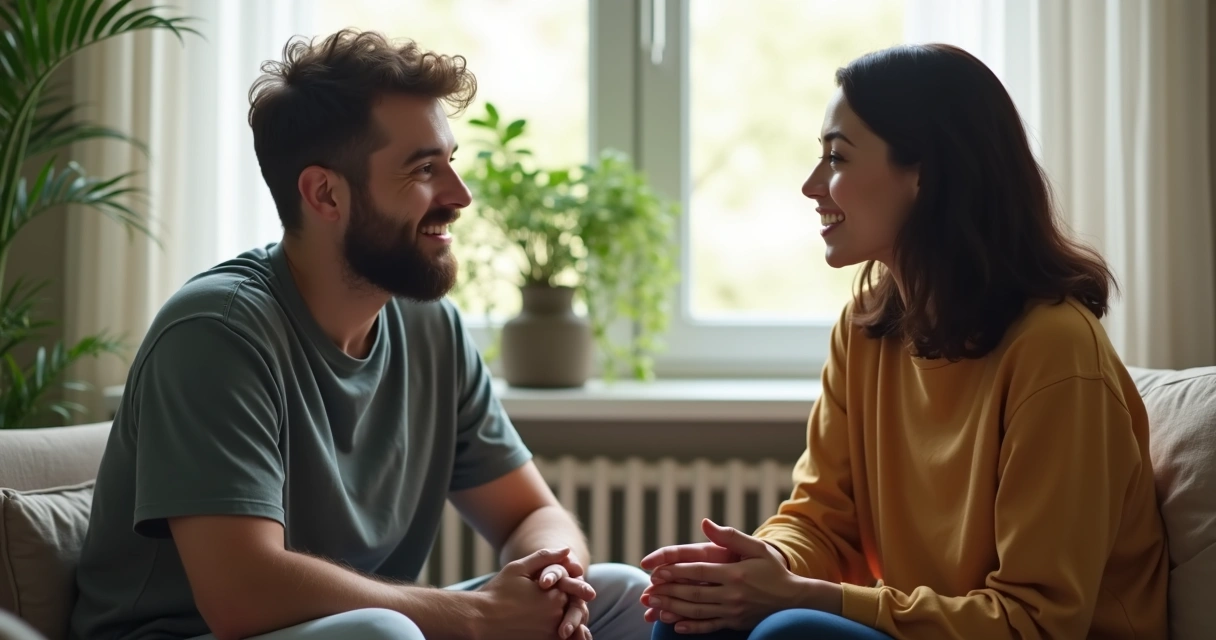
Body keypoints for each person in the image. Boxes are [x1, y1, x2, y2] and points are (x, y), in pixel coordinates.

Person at [69, 29, 652, 640]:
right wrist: (479, 617)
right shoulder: (215, 335)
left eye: (449, 162)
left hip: (359, 629)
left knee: (623, 595)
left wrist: (554, 582)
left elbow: (531, 511)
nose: (459, 196)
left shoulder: (431, 329)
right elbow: (242, 592)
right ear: (325, 193)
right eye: (424, 169)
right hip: (193, 633)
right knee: (382, 633)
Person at [641, 43, 1169, 640]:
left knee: (790, 634)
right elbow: (822, 520)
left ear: (924, 173)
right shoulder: (865, 330)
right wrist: (759, 569)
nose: (813, 185)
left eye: (837, 158)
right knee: (690, 619)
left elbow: (1037, 621)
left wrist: (812, 599)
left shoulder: (1055, 350)